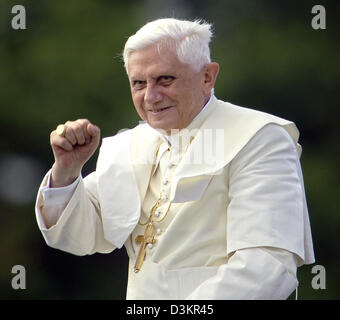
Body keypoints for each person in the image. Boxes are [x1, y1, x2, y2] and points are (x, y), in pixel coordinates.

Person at [35, 18, 315, 300]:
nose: (150, 97)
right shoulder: (132, 144)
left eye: (164, 79)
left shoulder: (260, 138)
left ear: (208, 77)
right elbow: (76, 234)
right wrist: (67, 172)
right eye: (139, 83)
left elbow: (266, 268)